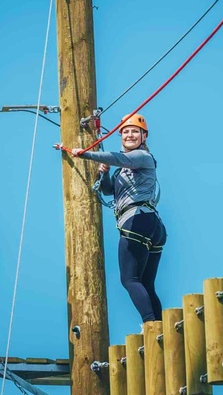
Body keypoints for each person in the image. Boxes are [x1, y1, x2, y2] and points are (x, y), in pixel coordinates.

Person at [71, 113, 166, 323]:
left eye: (135, 132)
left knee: (129, 280)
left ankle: (151, 324)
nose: (130, 135)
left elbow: (119, 158)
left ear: (144, 137)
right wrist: (104, 173)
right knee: (146, 283)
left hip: (138, 221)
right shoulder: (122, 170)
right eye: (126, 132)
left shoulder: (143, 157)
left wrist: (86, 154)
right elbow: (108, 191)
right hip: (150, 224)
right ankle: (160, 327)